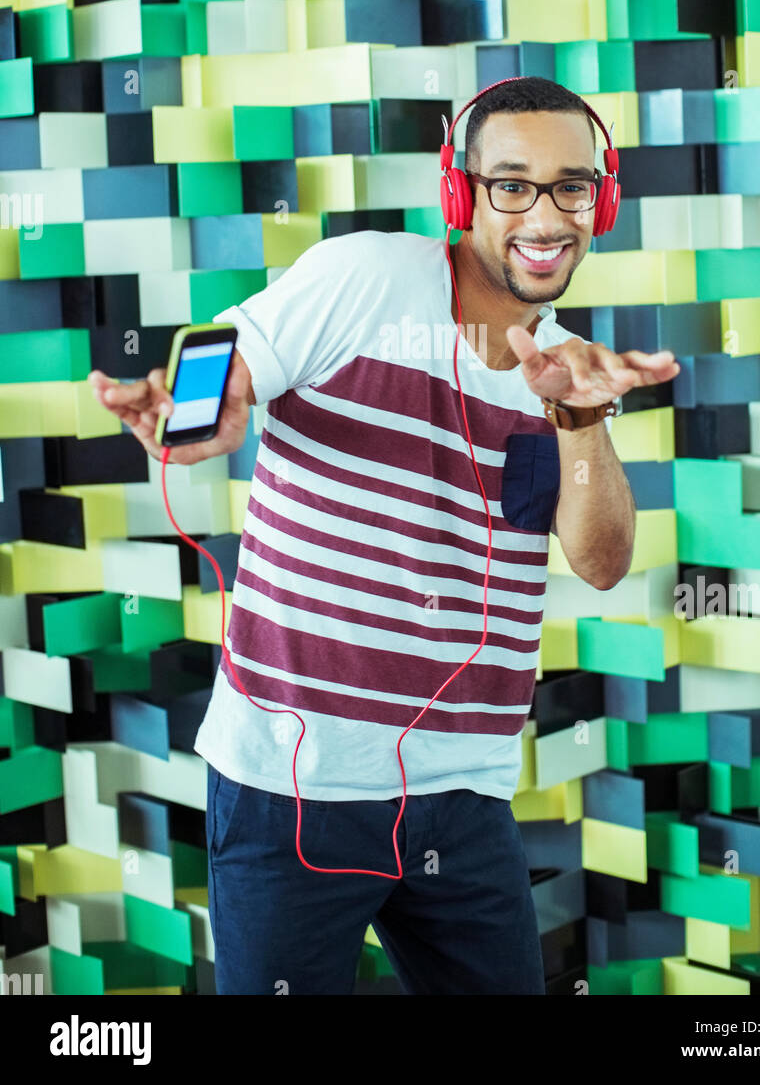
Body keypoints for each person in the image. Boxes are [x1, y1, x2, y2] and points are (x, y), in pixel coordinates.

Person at [89, 76, 679, 995]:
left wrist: (581, 424)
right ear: (461, 193)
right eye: (511, 184)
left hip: (464, 795)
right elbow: (231, 380)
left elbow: (601, 563)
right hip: (291, 786)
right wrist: (198, 414)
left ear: (600, 201)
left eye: (572, 186)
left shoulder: (567, 371)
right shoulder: (363, 276)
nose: (545, 214)